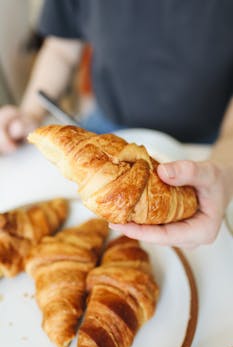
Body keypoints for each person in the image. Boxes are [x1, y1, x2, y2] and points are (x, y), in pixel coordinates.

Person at [1, 0, 233, 248]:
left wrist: (224, 168)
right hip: (104, 133)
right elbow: (61, 49)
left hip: (210, 147)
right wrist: (30, 113)